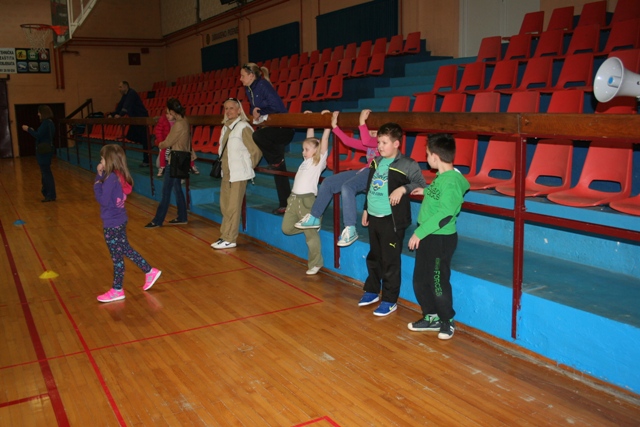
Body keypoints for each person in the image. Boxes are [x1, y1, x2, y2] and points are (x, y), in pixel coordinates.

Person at [358, 123, 427, 316]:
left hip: (392, 221)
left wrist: (403, 189)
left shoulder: (408, 164)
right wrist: (366, 209)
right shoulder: (376, 162)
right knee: (374, 256)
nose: (379, 146)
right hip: (374, 217)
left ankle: (389, 300)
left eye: (384, 143)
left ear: (396, 143)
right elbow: (371, 187)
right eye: (379, 142)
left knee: (390, 261)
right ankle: (372, 290)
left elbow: (421, 184)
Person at [407, 133, 469, 340]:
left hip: (440, 238)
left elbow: (445, 214)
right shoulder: (442, 177)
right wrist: (426, 191)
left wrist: (419, 232)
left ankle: (447, 320)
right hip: (428, 235)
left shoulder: (452, 182)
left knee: (437, 281)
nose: (426, 158)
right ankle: (431, 317)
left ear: (435, 156)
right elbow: (440, 194)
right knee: (420, 280)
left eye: (427, 154)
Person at [294, 109, 378, 247]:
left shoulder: (378, 142)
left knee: (347, 187)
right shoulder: (368, 144)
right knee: (328, 182)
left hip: (376, 174)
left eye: (376, 130)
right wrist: (334, 126)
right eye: (370, 130)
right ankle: (314, 216)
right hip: (365, 172)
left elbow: (367, 139)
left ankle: (350, 228)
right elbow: (348, 141)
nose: (372, 133)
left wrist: (362, 122)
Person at [94, 144, 162, 303]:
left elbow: (103, 200)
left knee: (117, 257)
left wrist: (97, 180)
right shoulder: (119, 175)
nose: (101, 161)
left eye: (102, 159)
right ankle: (149, 271)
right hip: (120, 220)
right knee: (125, 249)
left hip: (112, 223)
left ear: (109, 160)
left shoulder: (110, 178)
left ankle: (117, 289)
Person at [241, 62, 295, 215]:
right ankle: (285, 204)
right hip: (271, 128)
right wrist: (255, 111)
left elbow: (277, 107)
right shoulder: (249, 89)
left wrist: (260, 111)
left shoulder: (262, 85)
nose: (240, 79)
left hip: (283, 129)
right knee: (279, 167)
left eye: (243, 76)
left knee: (258, 136)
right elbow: (256, 107)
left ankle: (276, 161)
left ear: (251, 76)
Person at [281, 111, 330, 275]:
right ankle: (312, 226)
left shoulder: (318, 162)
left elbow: (324, 141)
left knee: (310, 236)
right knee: (286, 228)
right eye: (303, 149)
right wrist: (310, 121)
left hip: (306, 201)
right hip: (293, 200)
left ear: (316, 151)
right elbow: (310, 139)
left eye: (306, 150)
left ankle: (316, 263)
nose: (303, 152)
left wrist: (327, 124)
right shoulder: (305, 161)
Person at [211, 98, 261, 250]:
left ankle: (230, 238)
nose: (228, 111)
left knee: (233, 207)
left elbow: (256, 151)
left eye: (231, 108)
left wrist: (247, 167)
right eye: (226, 108)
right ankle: (224, 235)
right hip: (226, 173)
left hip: (238, 175)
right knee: (225, 206)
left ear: (239, 110)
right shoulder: (225, 127)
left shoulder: (243, 127)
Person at [145, 98, 190, 228]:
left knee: (166, 190)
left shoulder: (179, 124)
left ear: (172, 111)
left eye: (168, 111)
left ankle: (157, 220)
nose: (167, 114)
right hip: (181, 158)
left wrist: (158, 144)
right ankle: (182, 216)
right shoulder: (184, 121)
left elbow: (168, 141)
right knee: (177, 188)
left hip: (175, 159)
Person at [110, 81, 150, 167]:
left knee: (145, 140)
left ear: (125, 86)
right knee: (130, 136)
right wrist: (112, 114)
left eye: (120, 87)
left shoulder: (132, 93)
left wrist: (120, 115)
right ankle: (149, 140)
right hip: (134, 120)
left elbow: (126, 106)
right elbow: (120, 106)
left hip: (141, 118)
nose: (119, 89)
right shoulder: (125, 96)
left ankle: (146, 160)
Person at [22, 105, 57, 202]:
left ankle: (50, 194)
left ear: (43, 113)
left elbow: (38, 135)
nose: (38, 114)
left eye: (39, 112)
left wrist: (28, 129)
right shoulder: (50, 123)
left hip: (43, 152)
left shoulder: (45, 123)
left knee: (46, 173)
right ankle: (49, 194)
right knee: (46, 172)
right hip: (48, 150)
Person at [153, 106, 200, 177]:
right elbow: (159, 131)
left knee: (188, 150)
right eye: (167, 114)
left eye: (170, 114)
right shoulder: (163, 120)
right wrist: (161, 141)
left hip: (177, 142)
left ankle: (192, 165)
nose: (168, 116)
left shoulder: (178, 121)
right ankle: (162, 167)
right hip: (166, 141)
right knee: (163, 151)